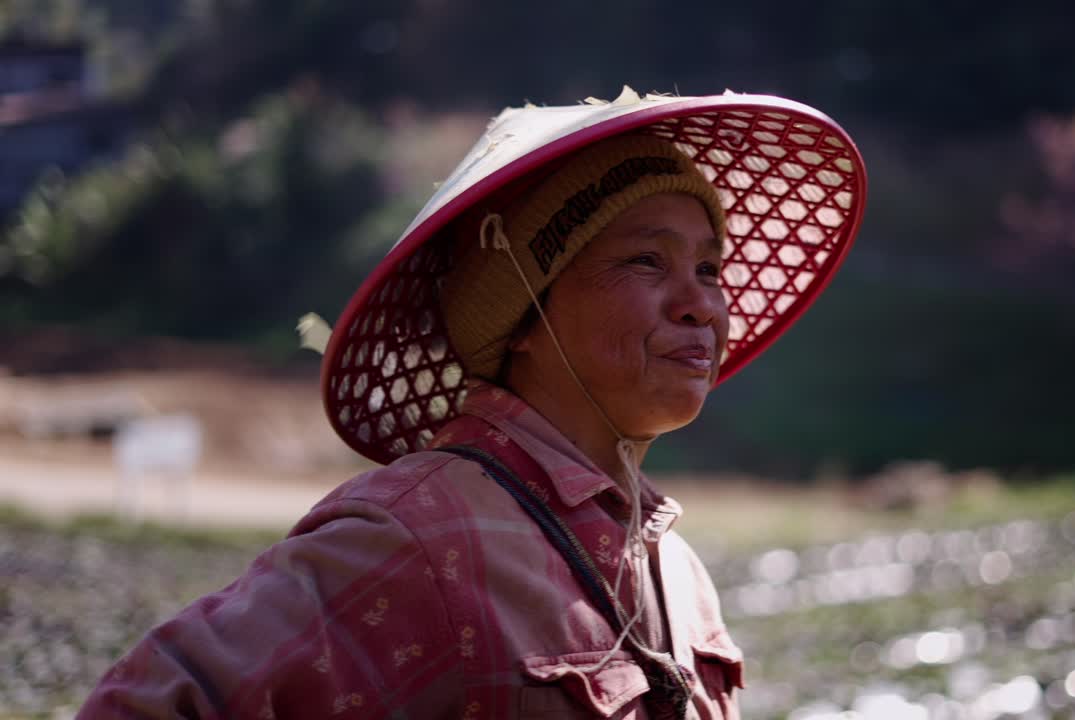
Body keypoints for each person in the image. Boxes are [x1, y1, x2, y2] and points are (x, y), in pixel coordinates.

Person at [79, 88, 866, 719]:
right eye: (646, 261)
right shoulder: (416, 534)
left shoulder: (677, 569)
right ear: (521, 314)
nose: (701, 304)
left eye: (711, 268)